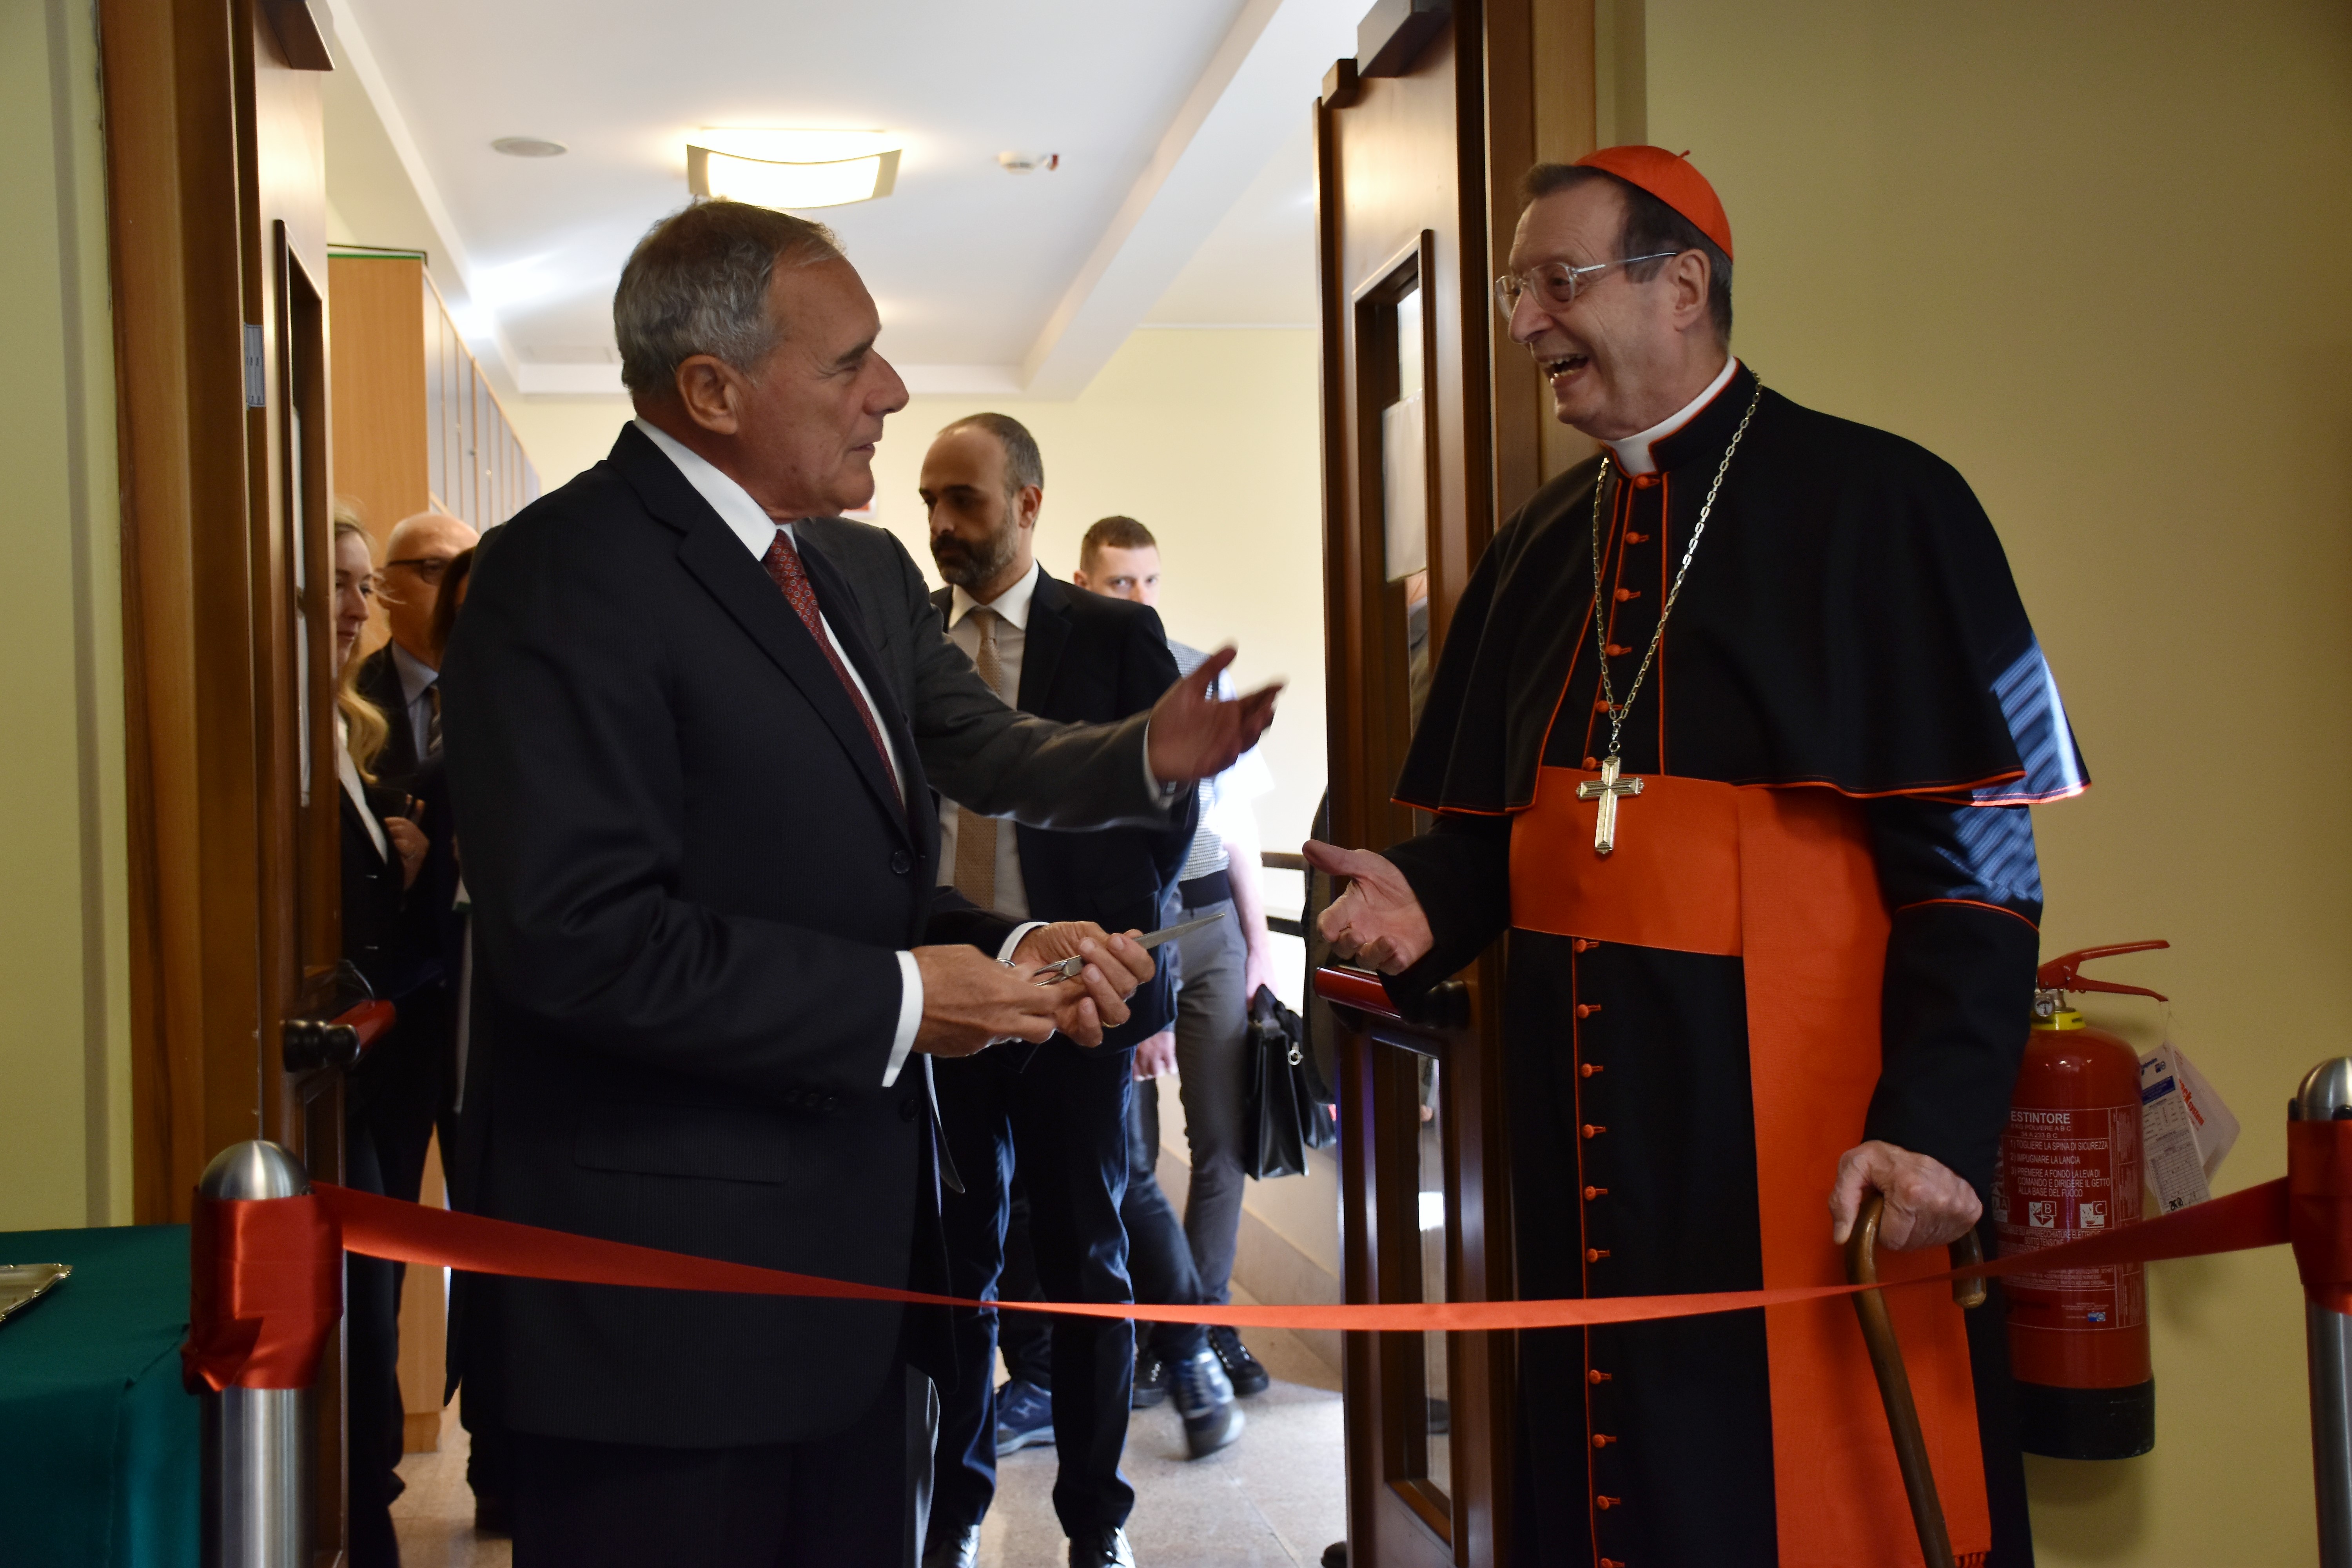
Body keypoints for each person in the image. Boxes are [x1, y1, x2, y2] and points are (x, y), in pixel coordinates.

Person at [1310, 146, 2082, 1567]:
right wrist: (1425, 900)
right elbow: (1510, 833)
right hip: (1585, 1136)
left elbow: (1976, 868)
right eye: (1512, 287)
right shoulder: (1546, 540)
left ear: (1682, 287)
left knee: (1798, 1494)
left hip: (1801, 1138)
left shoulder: (1881, 505)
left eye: (1559, 280)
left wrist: (1935, 1124)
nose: (1528, 319)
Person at [439, 198, 1159, 1568]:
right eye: (851, 364)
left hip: (849, 1290)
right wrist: (901, 1002)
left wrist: (1007, 952)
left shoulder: (830, 574)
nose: (890, 393)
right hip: (666, 1331)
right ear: (712, 389)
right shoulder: (558, 575)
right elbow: (581, 941)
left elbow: (831, 878)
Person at [917, 414, 1225, 1568]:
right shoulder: (909, 643)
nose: (944, 524)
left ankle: (1094, 1521)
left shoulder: (1111, 634)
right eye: (930, 500)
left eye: (968, 501)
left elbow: (1168, 802)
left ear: (1030, 502)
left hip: (1082, 991)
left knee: (1090, 1253)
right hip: (947, 989)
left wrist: (1122, 951)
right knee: (962, 1254)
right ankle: (952, 1508)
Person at [1073, 514, 1278, 1399]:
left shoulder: (1201, 672)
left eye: (1151, 580)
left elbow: (1236, 824)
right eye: (1122, 582)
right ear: (1084, 583)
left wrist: (1263, 941)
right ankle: (1164, 1324)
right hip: (1130, 935)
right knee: (1132, 1146)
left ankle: (1205, 1324)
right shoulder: (1068, 690)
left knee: (1223, 1136)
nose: (1142, 599)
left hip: (1213, 924)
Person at [330, 514, 433, 1568]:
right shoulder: (285, 730)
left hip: (381, 1058)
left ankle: (365, 1516)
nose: (355, 611)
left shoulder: (342, 729)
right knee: (358, 1314)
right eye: (337, 586)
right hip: (335, 1074)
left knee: (370, 1312)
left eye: (363, 588)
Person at [353, 508, 479, 791]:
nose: (457, 588)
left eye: (471, 572)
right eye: (435, 568)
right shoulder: (346, 699)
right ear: (383, 586)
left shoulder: (517, 693)